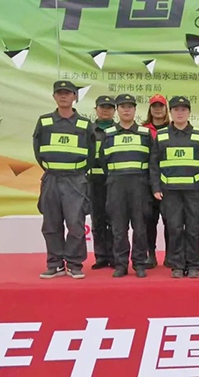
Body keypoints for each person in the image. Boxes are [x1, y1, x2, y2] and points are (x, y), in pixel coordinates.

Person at [33, 80, 95, 279]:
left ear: (75, 96)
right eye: (59, 93)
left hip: (75, 180)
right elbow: (37, 150)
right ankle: (55, 264)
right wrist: (53, 168)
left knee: (76, 224)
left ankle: (75, 264)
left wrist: (76, 171)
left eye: (67, 93)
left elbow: (91, 153)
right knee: (51, 224)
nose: (63, 96)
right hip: (51, 178)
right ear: (54, 96)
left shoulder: (85, 124)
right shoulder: (44, 122)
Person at [149, 96, 199, 279]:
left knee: (192, 229)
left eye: (183, 109)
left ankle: (193, 265)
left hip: (194, 191)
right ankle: (177, 265)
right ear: (170, 112)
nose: (180, 113)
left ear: (189, 112)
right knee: (174, 229)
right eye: (176, 109)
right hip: (170, 192)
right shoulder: (161, 135)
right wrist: (156, 187)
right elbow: (154, 164)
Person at [100, 94, 152, 278]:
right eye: (123, 106)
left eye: (130, 106)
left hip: (139, 185)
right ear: (117, 110)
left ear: (135, 110)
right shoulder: (108, 134)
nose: (127, 110)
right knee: (118, 228)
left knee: (140, 227)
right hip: (116, 184)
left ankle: (139, 263)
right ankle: (121, 264)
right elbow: (103, 161)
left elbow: (153, 161)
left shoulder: (145, 134)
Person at [142, 94, 170, 269]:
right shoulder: (143, 130)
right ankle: (150, 254)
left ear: (166, 109)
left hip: (168, 182)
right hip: (146, 183)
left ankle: (170, 254)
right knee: (149, 220)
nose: (158, 110)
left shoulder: (173, 129)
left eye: (161, 106)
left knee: (170, 221)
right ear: (150, 109)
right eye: (155, 106)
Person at [88, 96, 116, 270]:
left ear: (114, 111)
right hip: (94, 182)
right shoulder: (88, 130)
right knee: (97, 220)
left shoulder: (118, 130)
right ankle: (101, 257)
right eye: (102, 107)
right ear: (96, 109)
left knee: (114, 220)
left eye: (109, 107)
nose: (106, 110)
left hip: (115, 181)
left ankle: (114, 256)